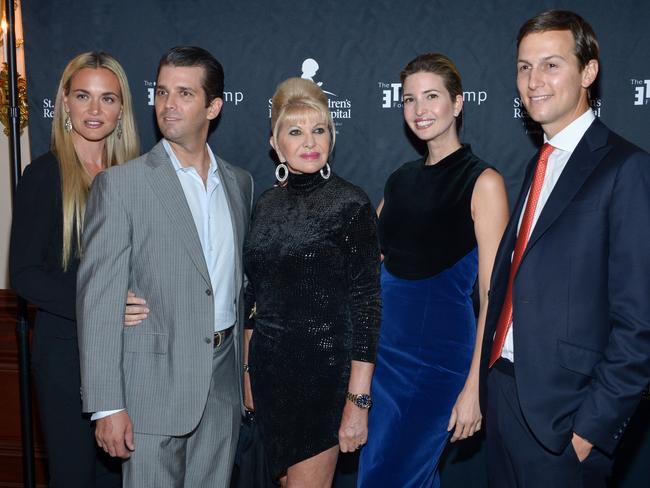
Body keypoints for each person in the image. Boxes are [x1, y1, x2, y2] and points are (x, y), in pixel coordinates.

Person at [479, 10, 650, 488]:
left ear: (588, 72)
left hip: (564, 420)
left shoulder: (626, 168)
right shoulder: (540, 162)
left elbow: (639, 323)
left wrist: (588, 431)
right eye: (524, 66)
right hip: (506, 397)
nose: (533, 81)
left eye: (551, 65)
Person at [76, 46, 253, 487]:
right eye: (161, 91)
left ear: (213, 106)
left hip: (222, 383)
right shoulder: (122, 185)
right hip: (150, 388)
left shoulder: (240, 183)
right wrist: (107, 405)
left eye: (185, 93)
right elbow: (98, 299)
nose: (168, 104)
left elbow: (237, 286)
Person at [357, 53, 509, 488]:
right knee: (394, 475)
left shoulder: (483, 182)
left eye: (431, 96)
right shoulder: (399, 180)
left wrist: (474, 388)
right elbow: (369, 270)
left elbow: (493, 297)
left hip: (436, 364)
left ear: (457, 103)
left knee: (390, 476)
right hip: (384, 359)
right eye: (409, 99)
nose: (420, 110)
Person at [242, 77, 381, 488]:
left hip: (322, 381)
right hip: (269, 377)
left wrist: (357, 402)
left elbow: (368, 308)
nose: (309, 141)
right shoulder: (266, 204)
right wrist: (249, 374)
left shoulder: (350, 204)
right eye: (295, 131)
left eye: (319, 129)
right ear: (275, 142)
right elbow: (255, 296)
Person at [9, 51, 139, 487]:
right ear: (65, 102)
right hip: (66, 355)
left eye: (108, 99)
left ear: (122, 109)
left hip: (132, 357)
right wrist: (101, 307)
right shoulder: (44, 175)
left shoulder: (137, 177)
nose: (95, 110)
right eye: (83, 96)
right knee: (74, 478)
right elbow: (25, 275)